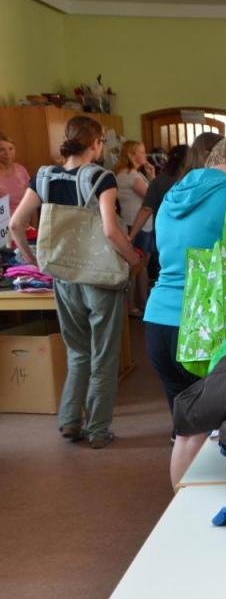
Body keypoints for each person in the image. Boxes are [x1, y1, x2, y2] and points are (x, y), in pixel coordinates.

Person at [9, 116, 141, 449]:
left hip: (63, 275)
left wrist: (32, 258)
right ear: (96, 142)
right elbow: (110, 230)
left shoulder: (43, 176)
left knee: (78, 351)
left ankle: (70, 420)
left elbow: (16, 224)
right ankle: (98, 429)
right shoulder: (101, 177)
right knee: (104, 355)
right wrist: (133, 258)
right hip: (100, 276)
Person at [146, 136, 226, 485]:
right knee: (212, 429)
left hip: (158, 319)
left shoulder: (172, 195)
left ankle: (178, 500)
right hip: (205, 326)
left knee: (184, 427)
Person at [114, 140, 155, 316]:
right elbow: (152, 196)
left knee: (140, 266)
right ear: (132, 155)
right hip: (137, 224)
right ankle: (138, 304)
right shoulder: (131, 176)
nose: (145, 155)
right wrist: (152, 178)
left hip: (136, 223)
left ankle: (141, 303)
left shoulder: (126, 174)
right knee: (138, 266)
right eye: (142, 152)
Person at [130, 144, 188, 241]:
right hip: (190, 235)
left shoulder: (159, 181)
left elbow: (146, 209)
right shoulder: (196, 180)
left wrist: (131, 236)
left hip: (165, 235)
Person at [0, 132, 31, 215]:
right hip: (4, 221)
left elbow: (31, 199)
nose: (7, 153)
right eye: (1, 150)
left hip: (25, 219)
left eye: (10, 149)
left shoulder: (21, 169)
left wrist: (35, 222)